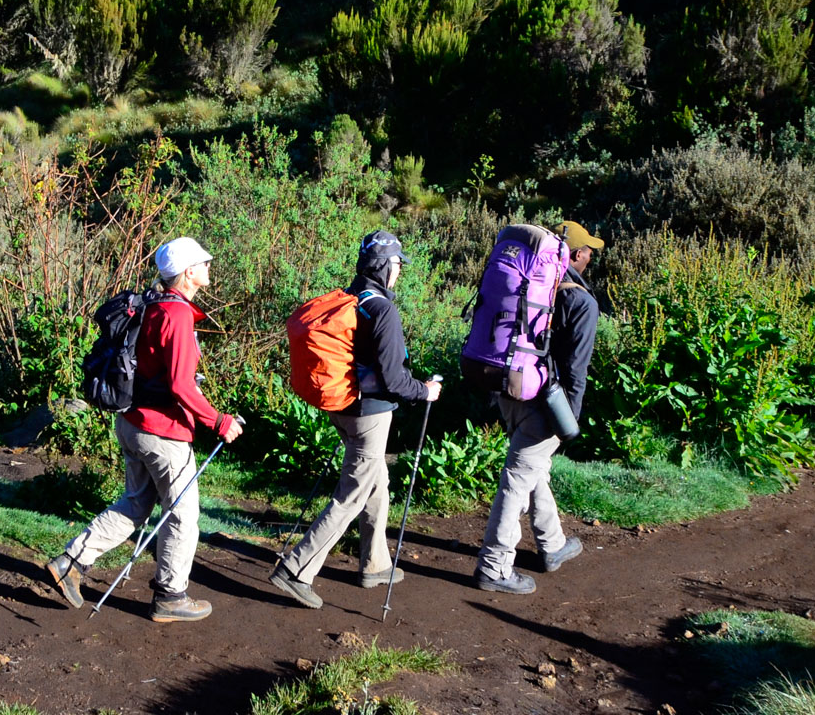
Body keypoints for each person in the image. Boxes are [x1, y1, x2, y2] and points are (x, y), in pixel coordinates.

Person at [45, 237, 244, 623]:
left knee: (135, 504)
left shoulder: (152, 305)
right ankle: (171, 596)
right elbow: (181, 386)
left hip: (132, 422)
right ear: (188, 272)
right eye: (204, 262)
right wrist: (219, 421)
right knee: (183, 514)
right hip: (163, 432)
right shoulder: (178, 315)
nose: (209, 268)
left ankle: (70, 562)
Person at [270, 230, 441, 609]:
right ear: (384, 266)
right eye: (397, 264)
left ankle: (375, 564)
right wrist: (425, 391)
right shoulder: (382, 310)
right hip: (371, 415)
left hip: (342, 409)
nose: (399, 271)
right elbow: (395, 380)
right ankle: (296, 569)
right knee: (352, 495)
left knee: (376, 481)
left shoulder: (348, 300)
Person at [473, 221, 603, 594]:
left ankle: (552, 545)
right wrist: (569, 421)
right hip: (547, 402)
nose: (591, 257)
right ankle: (494, 566)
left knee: (533, 468)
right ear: (575, 256)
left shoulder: (533, 287)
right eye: (588, 251)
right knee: (518, 478)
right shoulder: (581, 301)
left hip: (509, 388)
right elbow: (575, 367)